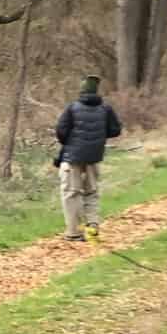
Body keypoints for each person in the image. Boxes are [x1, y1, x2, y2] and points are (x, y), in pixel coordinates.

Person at [54, 74, 124, 241]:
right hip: (94, 156)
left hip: (72, 157)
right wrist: (99, 137)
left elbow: (61, 131)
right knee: (91, 192)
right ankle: (92, 225)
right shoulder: (106, 109)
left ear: (81, 90)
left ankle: (73, 232)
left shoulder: (72, 108)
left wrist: (71, 141)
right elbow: (115, 130)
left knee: (71, 192)